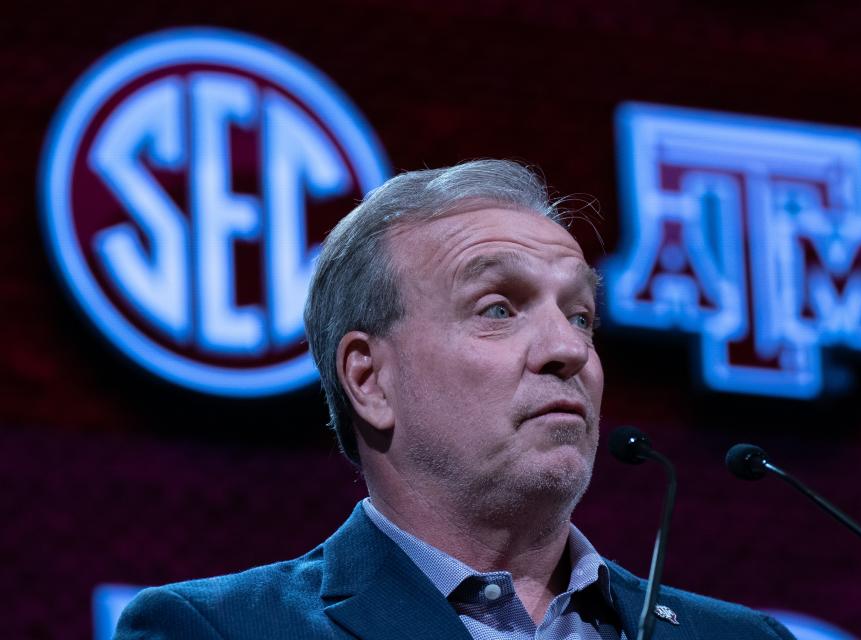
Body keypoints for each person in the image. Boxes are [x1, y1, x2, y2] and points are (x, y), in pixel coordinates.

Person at [115, 160, 796, 640]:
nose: (569, 350)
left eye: (581, 316)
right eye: (499, 309)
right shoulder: (219, 630)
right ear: (369, 380)